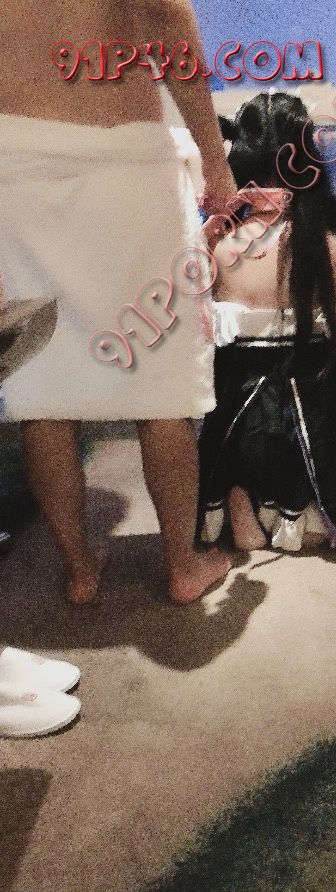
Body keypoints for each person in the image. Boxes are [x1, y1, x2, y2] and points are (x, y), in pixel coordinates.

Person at [0, 0, 236, 604]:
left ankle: (80, 570)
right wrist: (215, 160)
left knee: (43, 385)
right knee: (159, 382)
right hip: (122, 159)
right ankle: (182, 567)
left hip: (15, 160)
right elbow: (165, 14)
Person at [198, 93, 336, 556]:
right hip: (308, 441)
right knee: (323, 415)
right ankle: (288, 507)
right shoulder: (335, 250)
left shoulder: (220, 248)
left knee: (233, 408)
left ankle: (238, 494)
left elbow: (208, 360)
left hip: (237, 434)